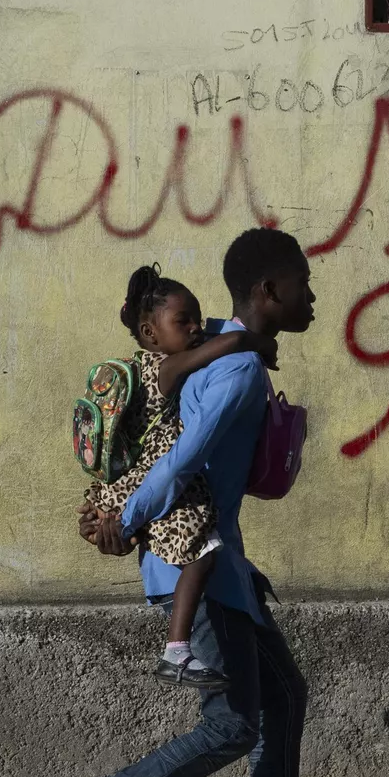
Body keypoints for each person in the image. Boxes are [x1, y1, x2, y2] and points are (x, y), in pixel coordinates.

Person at [21, 227, 343, 777]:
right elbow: (181, 462)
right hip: (195, 567)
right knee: (231, 725)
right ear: (269, 291)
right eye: (303, 284)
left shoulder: (214, 346)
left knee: (281, 698)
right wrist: (126, 519)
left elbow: (172, 384)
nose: (312, 296)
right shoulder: (236, 372)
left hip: (222, 566)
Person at [84, 263, 276, 688]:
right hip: (153, 481)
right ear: (151, 334)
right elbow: (222, 345)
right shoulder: (163, 369)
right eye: (183, 321)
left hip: (125, 485)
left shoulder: (137, 368)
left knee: (279, 697)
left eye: (198, 317)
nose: (196, 329)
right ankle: (176, 650)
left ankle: (177, 649)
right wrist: (252, 339)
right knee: (205, 548)